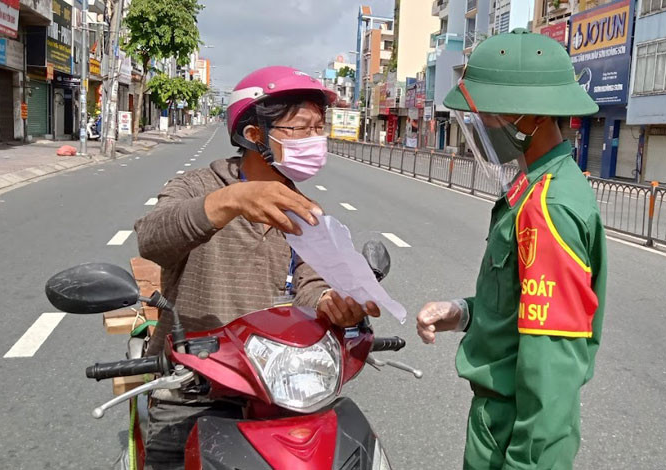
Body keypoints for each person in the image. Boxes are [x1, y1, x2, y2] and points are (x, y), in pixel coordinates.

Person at [134, 65, 380, 469]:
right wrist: (229, 202)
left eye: (320, 128)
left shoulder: (304, 209)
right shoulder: (197, 186)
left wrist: (332, 301)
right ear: (254, 136)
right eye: (301, 128)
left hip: (279, 390)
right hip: (194, 390)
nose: (316, 140)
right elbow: (153, 238)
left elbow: (310, 279)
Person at [416, 29, 607, 469]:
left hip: (511, 433)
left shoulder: (548, 208)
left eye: (489, 114)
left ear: (529, 117)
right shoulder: (533, 187)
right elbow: (521, 304)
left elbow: (551, 376)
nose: (481, 125)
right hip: (496, 422)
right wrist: (464, 313)